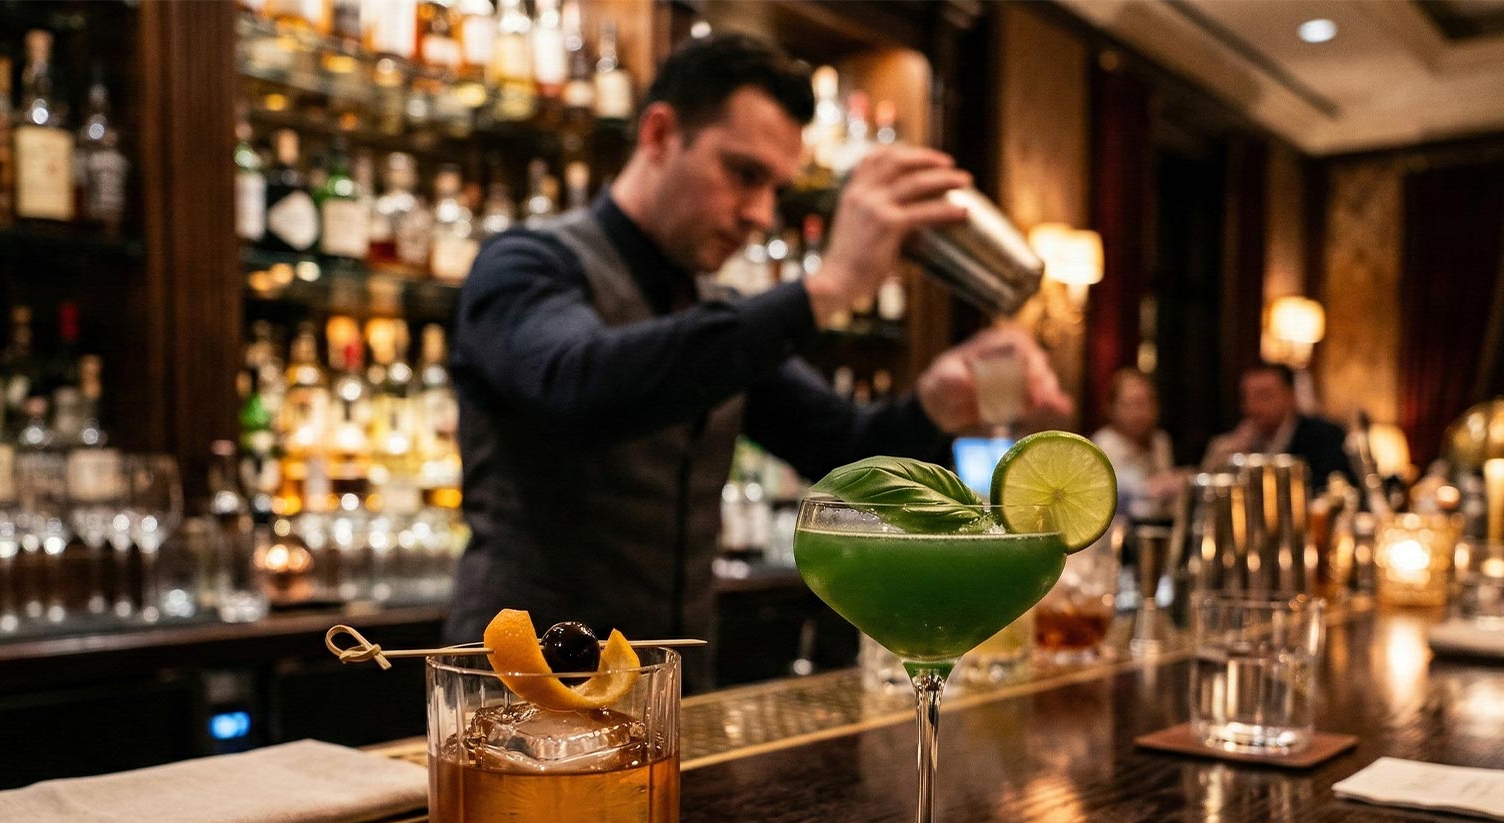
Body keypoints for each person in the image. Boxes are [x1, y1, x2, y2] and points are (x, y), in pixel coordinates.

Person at [445, 33, 1070, 687]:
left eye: (777, 188)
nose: (761, 214)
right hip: (518, 683)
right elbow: (574, 388)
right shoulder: (524, 265)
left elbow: (842, 452)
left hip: (669, 684)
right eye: (743, 174)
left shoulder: (720, 314)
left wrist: (933, 404)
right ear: (659, 134)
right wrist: (826, 288)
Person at [1201, 363, 1352, 491]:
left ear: (1290, 397)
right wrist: (1231, 459)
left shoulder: (1325, 436)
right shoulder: (1235, 440)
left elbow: (1334, 490)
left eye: (1263, 396)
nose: (1252, 407)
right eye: (1247, 397)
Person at [1091, 368, 1181, 520]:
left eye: (1143, 403)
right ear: (1111, 408)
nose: (1138, 413)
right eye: (1129, 405)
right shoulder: (1103, 444)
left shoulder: (1160, 441)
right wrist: (1153, 488)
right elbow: (1111, 498)